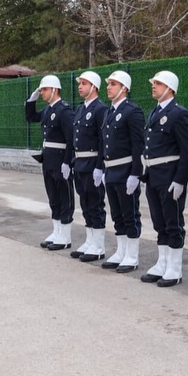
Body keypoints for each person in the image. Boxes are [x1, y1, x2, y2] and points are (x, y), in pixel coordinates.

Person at [139, 71, 188, 287]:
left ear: (170, 88)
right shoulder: (154, 112)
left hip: (170, 176)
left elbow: (186, 150)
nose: (154, 86)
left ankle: (175, 268)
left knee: (173, 223)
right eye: (154, 83)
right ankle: (162, 262)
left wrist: (180, 180)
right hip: (153, 176)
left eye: (158, 84)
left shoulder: (179, 114)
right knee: (159, 222)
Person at [99, 71, 145, 274]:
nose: (109, 87)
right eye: (109, 84)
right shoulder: (109, 112)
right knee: (117, 214)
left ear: (124, 88)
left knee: (130, 214)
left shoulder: (132, 112)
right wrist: (103, 169)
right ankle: (121, 251)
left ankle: (132, 255)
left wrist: (136, 173)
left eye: (114, 84)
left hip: (126, 170)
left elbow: (138, 145)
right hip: (111, 170)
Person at [25, 74, 76, 250]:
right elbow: (31, 117)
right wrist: (31, 101)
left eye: (44, 89)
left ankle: (65, 235)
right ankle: (57, 231)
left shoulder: (64, 110)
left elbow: (71, 139)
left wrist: (68, 162)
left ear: (55, 90)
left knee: (64, 197)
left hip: (60, 159)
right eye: (41, 90)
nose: (42, 93)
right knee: (53, 197)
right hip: (48, 159)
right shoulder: (48, 110)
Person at [68, 71, 109, 262]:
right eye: (80, 83)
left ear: (94, 87)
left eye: (84, 83)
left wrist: (100, 166)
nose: (80, 86)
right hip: (80, 163)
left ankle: (98, 246)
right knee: (85, 204)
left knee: (95, 204)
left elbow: (102, 140)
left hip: (92, 163)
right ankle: (90, 240)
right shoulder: (80, 109)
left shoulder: (100, 109)